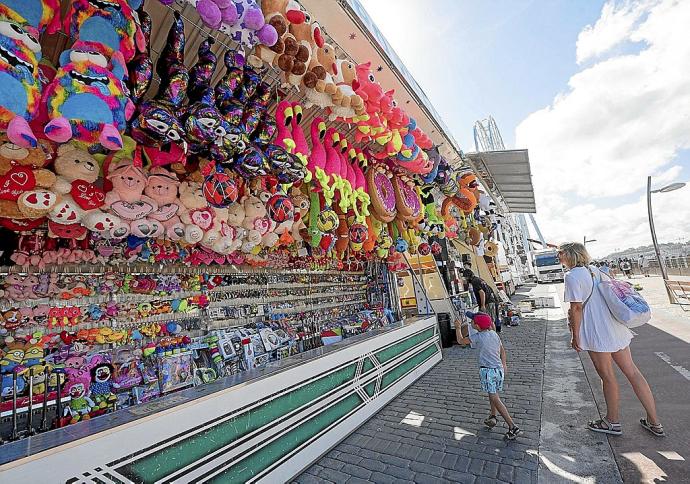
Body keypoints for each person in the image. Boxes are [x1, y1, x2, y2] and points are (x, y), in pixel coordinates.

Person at [558, 242, 664, 437]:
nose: (558, 257)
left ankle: (612, 422)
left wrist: (575, 335)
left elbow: (576, 308)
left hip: (596, 331)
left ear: (570, 255)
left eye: (560, 253)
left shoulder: (571, 276)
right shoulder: (596, 270)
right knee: (632, 372)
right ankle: (655, 421)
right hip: (614, 328)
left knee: (607, 376)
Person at [457, 311, 520, 440]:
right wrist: (504, 365)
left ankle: (512, 426)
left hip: (488, 372)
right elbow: (502, 350)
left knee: (495, 398)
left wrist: (458, 327)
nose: (471, 322)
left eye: (472, 321)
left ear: (477, 326)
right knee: (492, 393)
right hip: (498, 370)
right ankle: (493, 416)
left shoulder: (478, 337)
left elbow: (460, 341)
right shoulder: (494, 334)